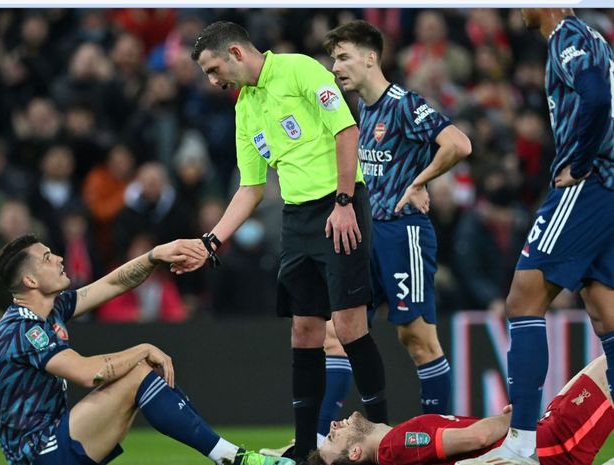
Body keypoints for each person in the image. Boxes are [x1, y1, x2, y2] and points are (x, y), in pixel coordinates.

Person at [188, 21, 388, 463]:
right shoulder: (245, 107)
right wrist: (211, 241)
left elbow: (346, 131)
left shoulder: (300, 71)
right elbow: (250, 187)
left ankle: (382, 434)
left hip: (340, 203)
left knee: (350, 325)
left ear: (237, 53)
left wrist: (342, 200)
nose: (212, 80)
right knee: (304, 331)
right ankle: (303, 449)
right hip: (297, 219)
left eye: (213, 68)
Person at [0, 233, 294, 465]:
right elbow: (87, 373)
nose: (59, 259)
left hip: (53, 440)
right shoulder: (24, 329)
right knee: (135, 375)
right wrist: (142, 348)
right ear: (29, 280)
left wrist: (156, 255)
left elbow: (112, 284)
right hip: (39, 453)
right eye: (47, 257)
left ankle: (234, 456)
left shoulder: (47, 310)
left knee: (138, 378)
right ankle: (236, 459)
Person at [467, 8, 614, 464]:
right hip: (606, 188)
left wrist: (581, 160)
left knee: (523, 299)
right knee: (606, 316)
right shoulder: (589, 37)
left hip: (589, 185)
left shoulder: (567, 35)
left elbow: (595, 96)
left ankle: (522, 444)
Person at [322, 20, 472, 414]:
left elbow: (458, 143)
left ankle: (438, 440)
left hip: (403, 232)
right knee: (337, 331)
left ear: (371, 58)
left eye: (343, 57)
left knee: (416, 337)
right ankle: (315, 444)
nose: (335, 67)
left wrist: (420, 181)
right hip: (367, 234)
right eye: (333, 59)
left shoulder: (404, 103)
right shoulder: (363, 109)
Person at [308, 354, 614, 465]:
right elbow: (475, 438)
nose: (333, 427)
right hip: (550, 446)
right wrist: (512, 418)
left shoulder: (395, 448)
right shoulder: (395, 445)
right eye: (334, 439)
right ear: (356, 454)